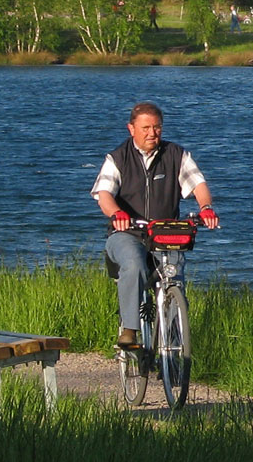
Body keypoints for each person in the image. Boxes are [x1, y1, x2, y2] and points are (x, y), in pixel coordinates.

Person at [92, 101, 220, 347]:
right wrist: (117, 214)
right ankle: (129, 329)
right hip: (127, 232)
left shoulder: (176, 155)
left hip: (164, 235)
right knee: (134, 263)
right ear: (131, 129)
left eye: (157, 127)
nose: (152, 133)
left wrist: (206, 208)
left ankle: (172, 348)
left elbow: (198, 184)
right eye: (146, 128)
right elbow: (104, 194)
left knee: (174, 279)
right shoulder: (117, 158)